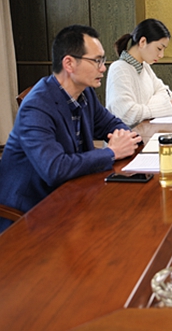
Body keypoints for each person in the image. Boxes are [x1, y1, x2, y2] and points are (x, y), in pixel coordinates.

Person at [0, 25, 142, 232]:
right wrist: (112, 152)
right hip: (31, 212)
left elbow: (111, 124)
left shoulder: (85, 93)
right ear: (69, 63)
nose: (103, 68)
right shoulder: (36, 107)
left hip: (72, 193)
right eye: (97, 61)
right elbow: (55, 169)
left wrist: (124, 138)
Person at [106, 18, 172, 127]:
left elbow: (166, 92)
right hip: (127, 135)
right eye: (159, 48)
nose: (161, 55)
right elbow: (127, 115)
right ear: (142, 42)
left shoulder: (144, 66)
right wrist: (164, 108)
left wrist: (147, 107)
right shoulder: (119, 69)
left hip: (145, 130)